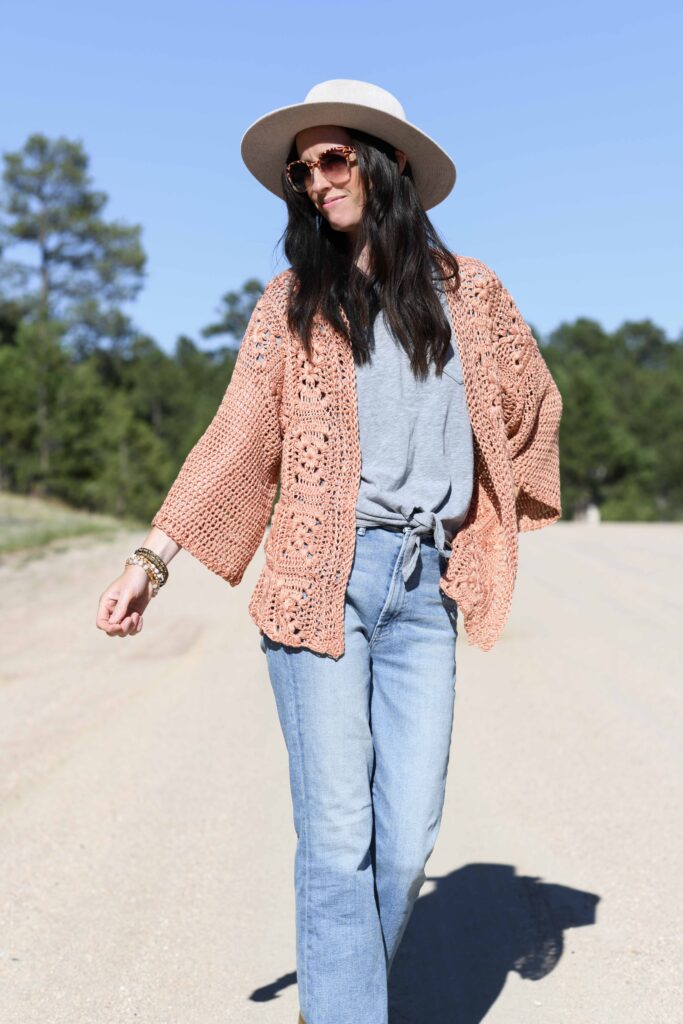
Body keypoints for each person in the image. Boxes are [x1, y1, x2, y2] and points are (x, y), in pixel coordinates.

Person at [96, 80, 562, 1024]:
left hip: (422, 586)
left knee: (405, 839)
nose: (314, 181)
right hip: (323, 580)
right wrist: (151, 560)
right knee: (338, 833)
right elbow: (236, 441)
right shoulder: (294, 303)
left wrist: (484, 505)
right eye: (299, 170)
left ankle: (335, 996)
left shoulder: (469, 294)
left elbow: (532, 401)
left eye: (332, 159)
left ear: (383, 165)